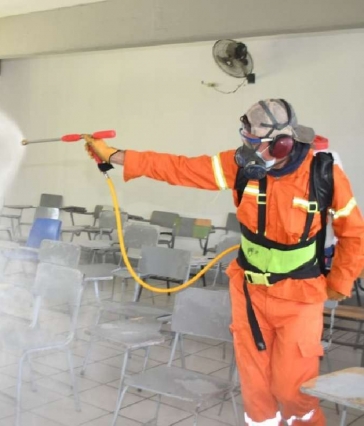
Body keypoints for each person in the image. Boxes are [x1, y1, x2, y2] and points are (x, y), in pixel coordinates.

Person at [83, 99, 364, 425]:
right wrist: (115, 155)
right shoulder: (240, 166)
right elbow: (178, 167)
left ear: (282, 142)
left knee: (292, 389)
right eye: (244, 137)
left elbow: (354, 233)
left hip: (300, 296)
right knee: (256, 390)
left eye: (254, 141)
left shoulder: (323, 172)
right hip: (249, 294)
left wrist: (340, 281)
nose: (247, 148)